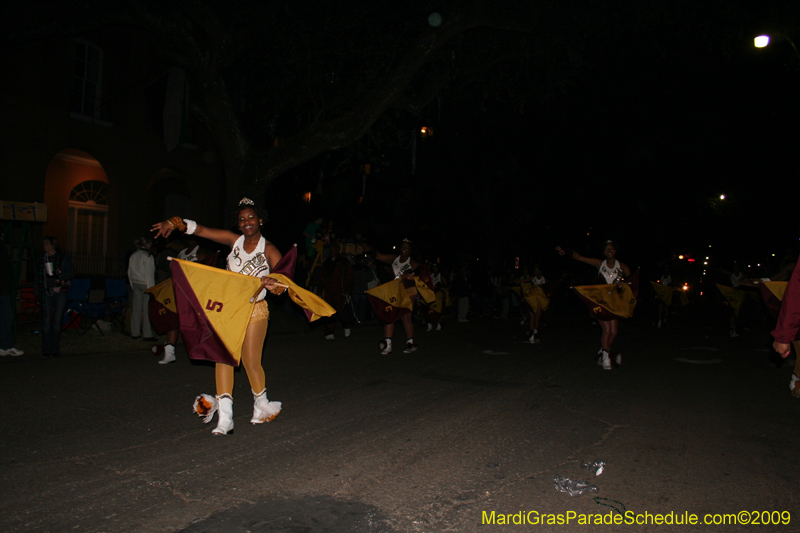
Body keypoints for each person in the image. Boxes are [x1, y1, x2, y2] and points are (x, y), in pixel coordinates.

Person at [151, 198, 285, 436]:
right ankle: (225, 418)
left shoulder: (270, 249)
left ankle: (261, 405)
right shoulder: (233, 241)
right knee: (222, 358)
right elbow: (202, 231)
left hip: (255, 310)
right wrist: (176, 223)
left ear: (260, 220)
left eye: (251, 217)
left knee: (250, 362)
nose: (246, 222)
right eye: (242, 219)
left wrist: (273, 283)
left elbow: (284, 283)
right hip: (229, 310)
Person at [557, 241, 631, 370]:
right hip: (601, 301)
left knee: (614, 332)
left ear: (615, 251)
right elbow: (579, 257)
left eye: (611, 248)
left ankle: (603, 351)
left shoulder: (622, 266)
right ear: (604, 252)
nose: (609, 250)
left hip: (615, 302)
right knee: (606, 330)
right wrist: (567, 251)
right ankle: (606, 358)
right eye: (606, 249)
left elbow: (632, 282)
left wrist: (624, 284)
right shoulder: (599, 264)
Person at [369, 239, 421, 354]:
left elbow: (422, 276)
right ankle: (388, 344)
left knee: (406, 317)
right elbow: (379, 256)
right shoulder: (394, 258)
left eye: (407, 247)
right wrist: (369, 249)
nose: (404, 249)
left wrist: (412, 277)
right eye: (403, 247)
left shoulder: (413, 262)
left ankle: (410, 343)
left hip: (408, 291)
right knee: (389, 315)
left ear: (410, 250)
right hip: (395, 290)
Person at [37, 236, 74, 358]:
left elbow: (71, 273)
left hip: (60, 292)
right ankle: (46, 349)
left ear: (53, 245)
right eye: (44, 244)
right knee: (47, 320)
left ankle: (55, 349)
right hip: (46, 292)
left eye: (47, 244)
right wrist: (37, 293)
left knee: (57, 320)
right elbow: (38, 278)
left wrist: (58, 276)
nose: (45, 246)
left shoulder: (62, 258)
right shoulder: (43, 259)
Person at [318, 243, 355, 339]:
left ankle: (346, 326)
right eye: (330, 249)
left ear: (338, 249)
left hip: (340, 291)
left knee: (341, 311)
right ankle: (329, 332)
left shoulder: (343, 261)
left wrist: (348, 289)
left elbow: (350, 276)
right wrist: (320, 289)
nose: (332, 250)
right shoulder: (326, 262)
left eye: (333, 248)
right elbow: (322, 277)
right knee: (329, 312)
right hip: (329, 292)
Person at [128, 237, 157, 342]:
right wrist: (151, 289)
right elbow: (149, 274)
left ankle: (135, 332)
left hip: (136, 283)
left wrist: (132, 284)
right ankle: (147, 334)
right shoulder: (147, 256)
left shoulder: (134, 255)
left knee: (136, 308)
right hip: (145, 284)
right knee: (146, 309)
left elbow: (130, 271)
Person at [0, 237, 23, 356]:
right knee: (6, 317)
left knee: (6, 317)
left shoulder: (2, 247)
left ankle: (5, 345)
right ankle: (5, 345)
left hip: (4, 289)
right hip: (3, 289)